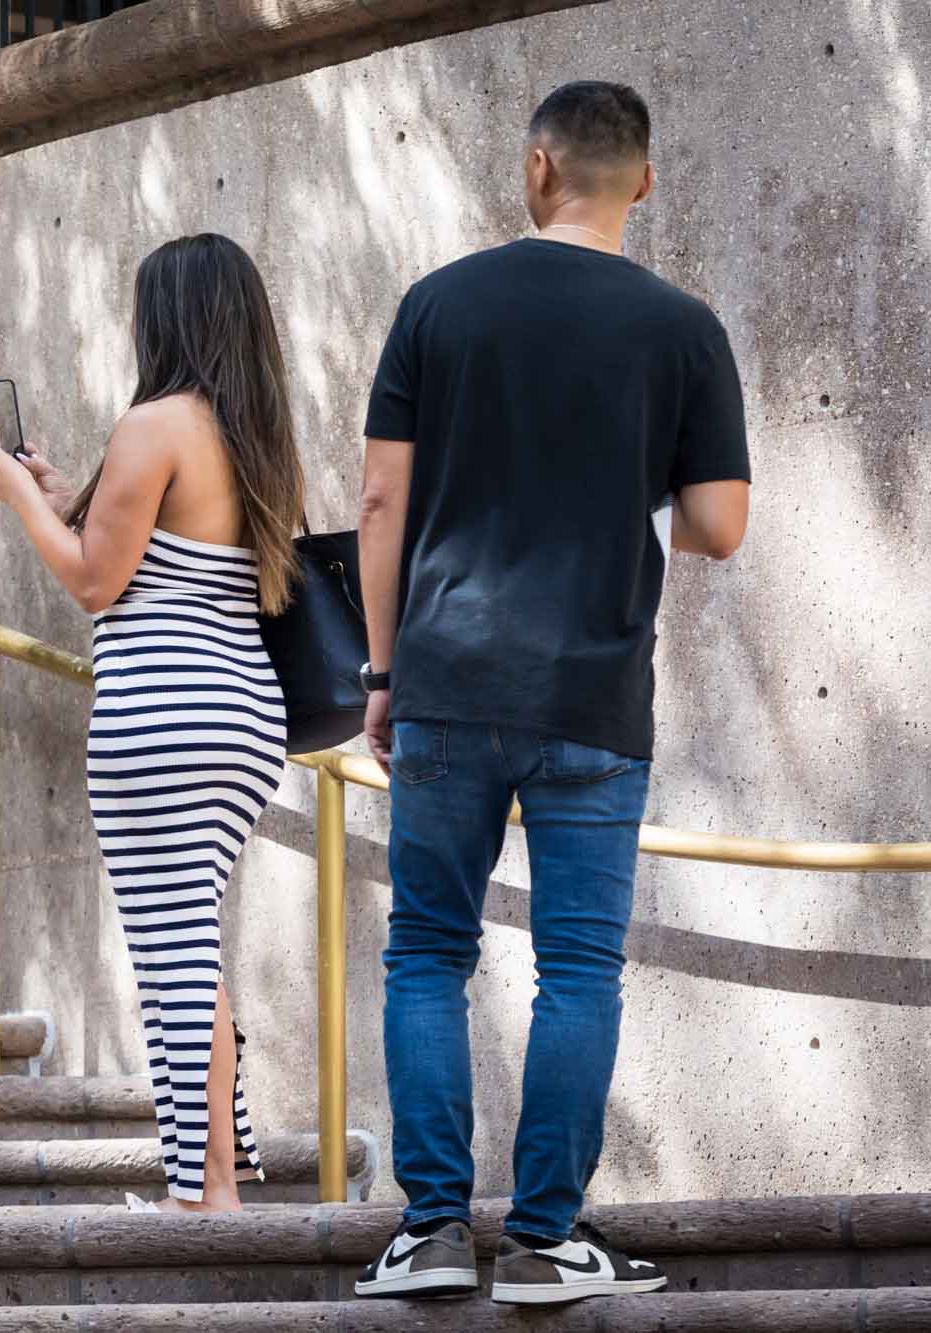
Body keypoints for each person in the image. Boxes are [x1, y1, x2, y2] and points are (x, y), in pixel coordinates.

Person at [352, 82, 751, 1305]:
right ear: (642, 182)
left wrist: (380, 673)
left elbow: (378, 503)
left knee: (426, 951)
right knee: (577, 967)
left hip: (443, 682)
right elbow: (720, 528)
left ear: (534, 170)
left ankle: (426, 1232)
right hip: (591, 696)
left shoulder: (438, 304)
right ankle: (541, 1239)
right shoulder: (683, 330)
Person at [0, 233, 306, 1213]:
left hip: (159, 715)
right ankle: (218, 1183)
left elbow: (91, 578)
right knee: (192, 946)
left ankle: (199, 1195)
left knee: (173, 959)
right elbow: (167, 554)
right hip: (240, 715)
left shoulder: (152, 423)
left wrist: (11, 499)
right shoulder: (251, 434)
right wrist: (60, 490)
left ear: (161, 317)